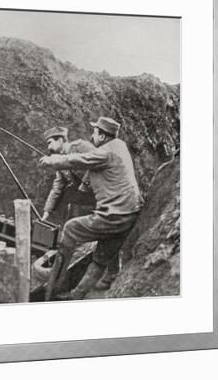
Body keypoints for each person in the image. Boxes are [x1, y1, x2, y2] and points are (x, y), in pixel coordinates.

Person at [39, 117, 144, 300]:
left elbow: (81, 160)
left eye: (95, 132)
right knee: (101, 257)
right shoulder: (119, 145)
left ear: (103, 136)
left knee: (71, 229)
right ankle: (77, 295)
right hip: (129, 211)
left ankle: (56, 275)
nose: (92, 135)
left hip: (115, 213)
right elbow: (61, 184)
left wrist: (54, 161)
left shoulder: (101, 151)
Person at [40, 127, 94, 224]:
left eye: (50, 143)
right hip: (87, 202)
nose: (48, 148)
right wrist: (46, 213)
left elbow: (100, 161)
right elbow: (57, 188)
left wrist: (84, 185)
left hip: (102, 197)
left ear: (60, 140)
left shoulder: (81, 147)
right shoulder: (60, 162)